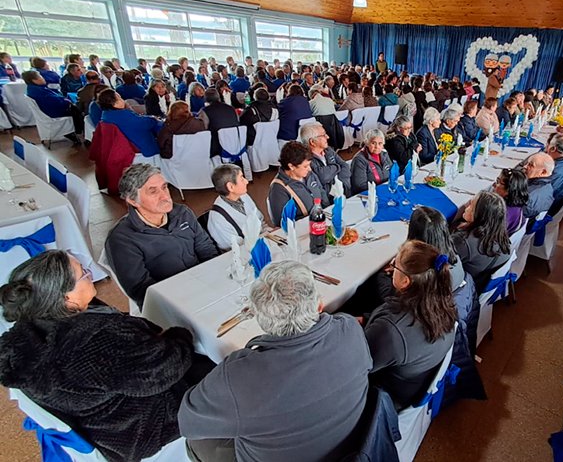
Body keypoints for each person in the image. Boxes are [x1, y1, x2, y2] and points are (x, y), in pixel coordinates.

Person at [0, 251, 213, 462]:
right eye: (83, 273)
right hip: (141, 427)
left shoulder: (30, 329)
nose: (90, 273)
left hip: (101, 420)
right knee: (219, 364)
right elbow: (165, 369)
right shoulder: (94, 343)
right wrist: (181, 336)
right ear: (66, 297)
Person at [179, 260, 372, 462]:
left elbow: (188, 422)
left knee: (198, 443)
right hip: (350, 446)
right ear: (319, 306)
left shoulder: (238, 376)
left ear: (260, 319)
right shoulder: (350, 328)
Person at [105, 164, 219, 305]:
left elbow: (205, 247)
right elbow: (141, 289)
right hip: (171, 301)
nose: (165, 196)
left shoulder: (182, 213)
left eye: (164, 187)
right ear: (133, 200)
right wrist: (188, 294)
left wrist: (214, 278)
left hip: (203, 284)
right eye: (153, 191)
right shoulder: (122, 239)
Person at [365, 240, 457, 409]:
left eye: (395, 265)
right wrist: (368, 319)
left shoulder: (392, 330)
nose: (391, 268)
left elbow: (359, 366)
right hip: (414, 380)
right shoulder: (443, 304)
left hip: (386, 395)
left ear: (405, 281)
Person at [452, 190, 511, 291]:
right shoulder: (501, 236)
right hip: (483, 283)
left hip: (464, 287)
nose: (466, 207)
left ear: (480, 215)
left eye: (471, 206)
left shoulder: (464, 241)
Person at [268, 141, 330, 224]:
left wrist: (327, 211)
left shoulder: (308, 174)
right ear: (291, 166)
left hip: (322, 220)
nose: (309, 169)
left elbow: (321, 191)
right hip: (305, 226)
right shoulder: (278, 189)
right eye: (305, 166)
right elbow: (282, 221)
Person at [206, 164, 265, 251]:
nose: (246, 181)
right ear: (230, 187)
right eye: (242, 178)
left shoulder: (243, 195)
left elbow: (260, 220)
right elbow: (234, 248)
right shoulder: (217, 218)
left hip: (261, 242)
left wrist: (269, 232)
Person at [22, 70, 83, 142]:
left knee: (74, 107)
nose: (43, 78)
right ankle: (78, 131)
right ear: (34, 80)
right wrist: (66, 101)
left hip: (47, 111)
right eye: (40, 77)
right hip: (52, 112)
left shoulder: (34, 89)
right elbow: (55, 102)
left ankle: (74, 131)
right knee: (77, 110)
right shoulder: (39, 91)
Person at [98, 89, 162, 157]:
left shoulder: (105, 115)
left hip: (124, 147)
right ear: (114, 104)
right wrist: (153, 118)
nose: (123, 100)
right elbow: (145, 124)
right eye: (120, 98)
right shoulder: (123, 115)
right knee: (160, 126)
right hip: (143, 148)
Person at [301, 122, 351, 197]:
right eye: (323, 135)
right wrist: (337, 167)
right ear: (312, 142)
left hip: (343, 193)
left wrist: (342, 184)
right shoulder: (306, 159)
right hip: (327, 199)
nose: (327, 137)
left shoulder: (328, 150)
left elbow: (345, 166)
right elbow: (323, 177)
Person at [199, 88, 240, 158]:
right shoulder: (231, 108)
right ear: (218, 97)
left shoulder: (205, 111)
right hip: (236, 143)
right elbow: (238, 121)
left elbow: (203, 129)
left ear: (205, 99)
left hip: (217, 146)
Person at [518, 152, 555, 229]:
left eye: (530, 165)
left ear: (543, 172)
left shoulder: (529, 197)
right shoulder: (548, 187)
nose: (525, 166)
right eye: (526, 163)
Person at [351, 129, 393, 194]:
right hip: (369, 194)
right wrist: (381, 189)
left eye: (380, 143)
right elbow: (360, 186)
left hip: (386, 189)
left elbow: (392, 171)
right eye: (373, 143)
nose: (377, 147)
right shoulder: (359, 160)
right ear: (367, 143)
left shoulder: (384, 154)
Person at [493, 168, 529, 234]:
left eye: (498, 182)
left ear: (509, 190)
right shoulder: (517, 207)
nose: (494, 184)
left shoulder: (498, 213)